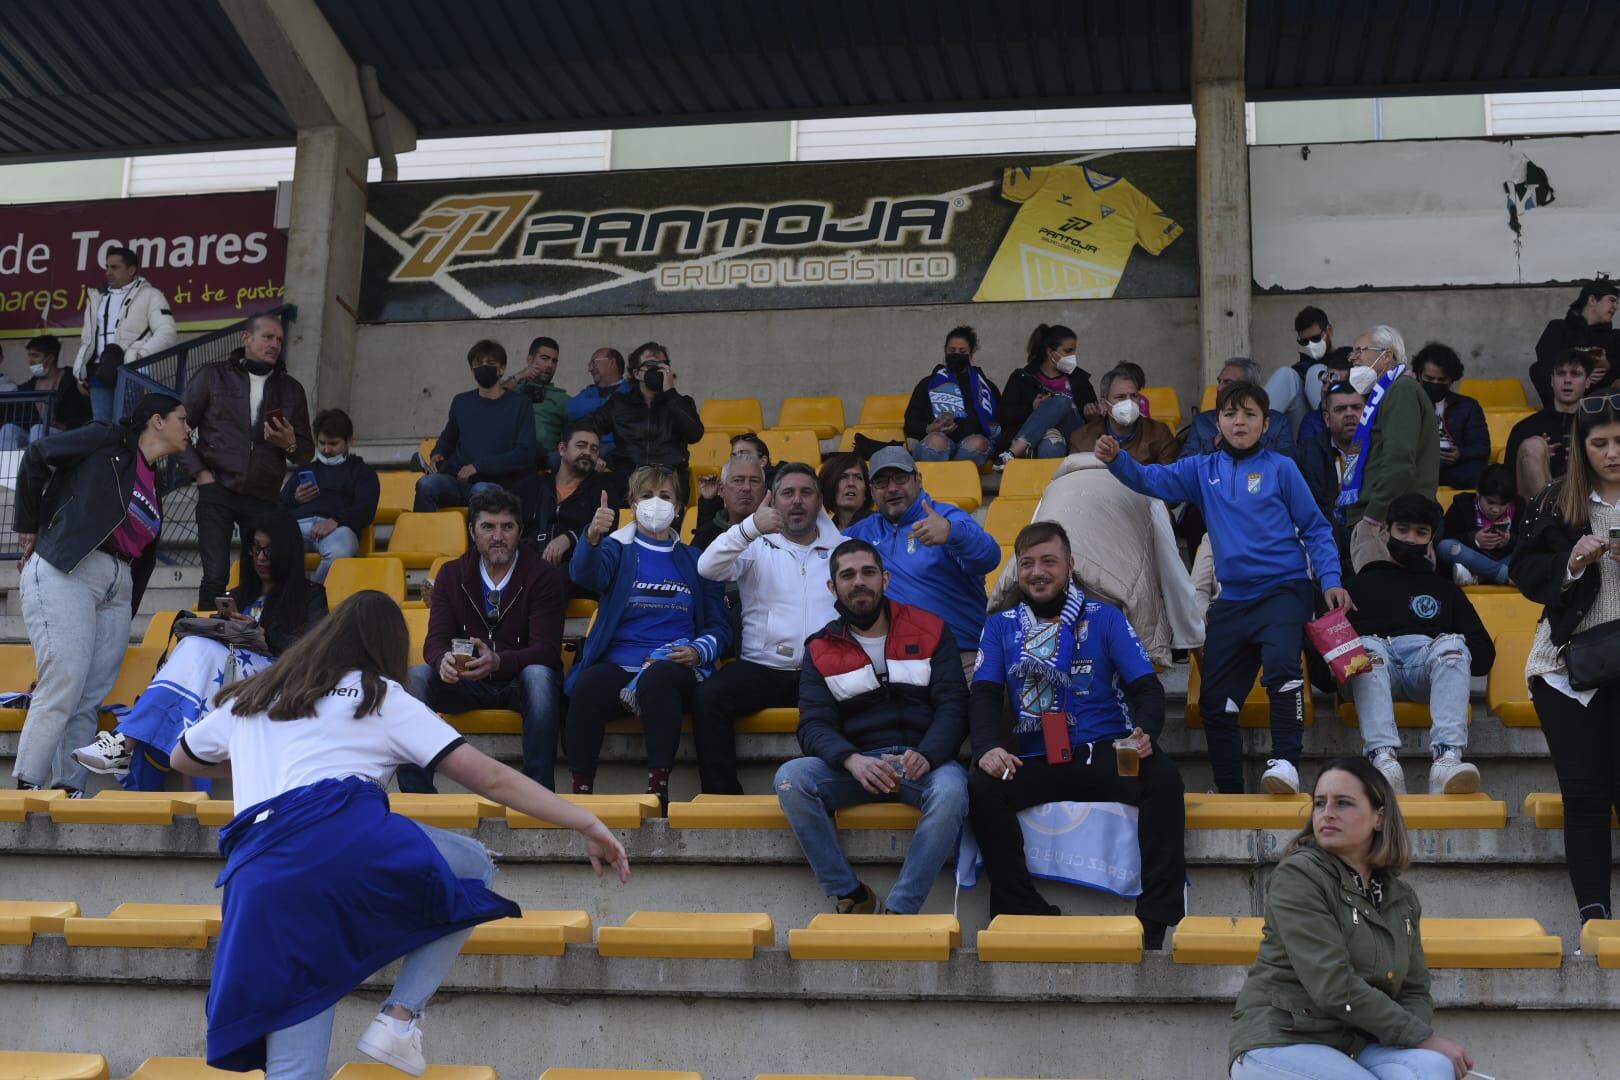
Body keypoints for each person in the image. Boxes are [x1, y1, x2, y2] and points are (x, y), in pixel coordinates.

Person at [166, 591, 629, 1079]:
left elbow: (182, 757)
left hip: (259, 880)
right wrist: (585, 821)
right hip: (337, 846)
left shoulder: (256, 694)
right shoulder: (381, 695)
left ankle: (397, 1021)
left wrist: (261, 761)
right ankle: (399, 1018)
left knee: (293, 1071)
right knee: (471, 866)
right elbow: (491, 779)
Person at [1099, 381, 1350, 794]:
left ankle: (1286, 763)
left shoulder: (1282, 468)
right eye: (1231, 414)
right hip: (1232, 599)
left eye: (1250, 415)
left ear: (1266, 424)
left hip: (1284, 590)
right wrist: (1116, 461)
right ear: (1218, 422)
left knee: (1284, 671)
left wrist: (1331, 580)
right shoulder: (1202, 468)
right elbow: (1149, 479)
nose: (1240, 422)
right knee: (1216, 701)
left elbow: (1316, 528)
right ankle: (1230, 787)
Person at [968, 522, 1185, 943]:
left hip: (1102, 752)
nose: (1037, 572)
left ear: (1070, 565)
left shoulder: (1104, 617)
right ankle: (1021, 907)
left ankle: (1155, 918)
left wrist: (1146, 732)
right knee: (982, 786)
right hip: (1035, 757)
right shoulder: (1000, 625)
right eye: (1027, 563)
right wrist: (987, 748)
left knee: (1162, 777)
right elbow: (984, 695)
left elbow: (1146, 687)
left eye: (1049, 561)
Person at [1229, 757, 1474, 1080]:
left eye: (1343, 803)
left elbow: (1414, 992)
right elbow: (1332, 986)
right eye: (1319, 803)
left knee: (1432, 1069)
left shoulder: (1401, 897)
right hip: (1282, 1038)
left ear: (1379, 816)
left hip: (1356, 1044)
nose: (1327, 813)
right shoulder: (1298, 876)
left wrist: (1413, 1040)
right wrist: (1423, 1037)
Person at [10, 395, 192, 794]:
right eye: (183, 419)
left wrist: (128, 607)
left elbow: (143, 556)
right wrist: (29, 525)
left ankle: (67, 790)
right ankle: (27, 787)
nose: (189, 428)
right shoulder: (106, 439)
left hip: (118, 586)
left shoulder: (154, 481)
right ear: (157, 421)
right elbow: (38, 454)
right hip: (71, 567)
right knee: (65, 680)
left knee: (89, 697)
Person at [777, 538, 969, 914]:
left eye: (867, 572)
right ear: (833, 587)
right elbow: (813, 725)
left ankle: (900, 911)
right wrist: (851, 760)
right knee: (790, 779)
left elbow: (953, 705)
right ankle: (852, 893)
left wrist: (928, 755)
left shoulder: (931, 629)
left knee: (952, 792)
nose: (858, 582)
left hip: (922, 764)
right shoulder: (819, 647)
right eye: (847, 575)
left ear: (885, 579)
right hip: (858, 767)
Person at [74, 514, 329, 788]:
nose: (261, 557)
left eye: (270, 550)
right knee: (198, 651)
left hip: (275, 683)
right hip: (224, 681)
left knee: (198, 650)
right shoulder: (238, 595)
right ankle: (154, 765)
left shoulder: (310, 595)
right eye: (255, 548)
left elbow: (314, 651)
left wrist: (262, 634)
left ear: (287, 552)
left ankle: (124, 741)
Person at [1514, 389, 1620, 926]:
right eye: (1599, 443)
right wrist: (1573, 563)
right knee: (1584, 793)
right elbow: (1523, 572)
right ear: (1580, 448)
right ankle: (1593, 919)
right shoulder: (1555, 501)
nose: (1612, 452)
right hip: (1566, 668)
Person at [566, 464, 731, 807]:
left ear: (680, 507)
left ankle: (658, 790)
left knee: (658, 679)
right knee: (589, 685)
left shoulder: (697, 561)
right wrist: (592, 538)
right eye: (646, 496)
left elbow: (720, 626)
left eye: (665, 496)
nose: (656, 503)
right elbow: (587, 575)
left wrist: (700, 650)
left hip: (675, 665)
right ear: (632, 503)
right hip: (619, 662)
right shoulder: (615, 549)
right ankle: (579, 793)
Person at [398, 487, 565, 794]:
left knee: (540, 676)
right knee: (416, 676)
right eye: (488, 526)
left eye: (507, 527)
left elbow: (547, 650)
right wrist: (442, 661)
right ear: (472, 531)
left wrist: (499, 661)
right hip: (466, 681)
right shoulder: (451, 574)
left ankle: (538, 792)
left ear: (520, 531)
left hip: (518, 681)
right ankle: (416, 794)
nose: (498, 536)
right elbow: (435, 640)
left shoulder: (544, 575)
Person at [695, 463, 844, 794]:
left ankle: (837, 792)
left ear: (819, 500)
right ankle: (722, 798)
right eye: (788, 493)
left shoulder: (843, 548)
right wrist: (749, 528)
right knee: (708, 698)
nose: (797, 501)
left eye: (806, 493)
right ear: (772, 500)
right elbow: (706, 568)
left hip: (823, 669)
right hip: (763, 667)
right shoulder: (755, 544)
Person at [1345, 494, 1494, 797]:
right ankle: (1383, 761)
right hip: (1373, 671)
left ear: (1431, 538)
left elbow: (1482, 656)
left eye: (1421, 532)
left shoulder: (1445, 590)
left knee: (1452, 646)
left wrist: (1444, 648)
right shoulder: (1357, 586)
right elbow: (1329, 660)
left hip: (1424, 673)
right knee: (1364, 647)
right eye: (1403, 530)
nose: (1411, 539)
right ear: (1386, 531)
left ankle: (1447, 761)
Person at [183, 313, 315, 610]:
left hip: (263, 495)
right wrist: (200, 473)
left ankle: (252, 639)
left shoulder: (291, 389)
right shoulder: (212, 375)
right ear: (246, 338)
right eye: (268, 337)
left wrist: (289, 443)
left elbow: (306, 451)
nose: (275, 345)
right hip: (216, 487)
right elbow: (177, 427)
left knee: (259, 575)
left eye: (279, 340)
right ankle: (206, 642)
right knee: (215, 576)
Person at [847, 446, 1000, 679]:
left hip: (961, 656)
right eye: (881, 482)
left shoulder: (947, 517)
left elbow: (989, 558)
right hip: (897, 662)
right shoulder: (861, 533)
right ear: (872, 490)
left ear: (919, 480)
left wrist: (952, 533)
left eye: (900, 477)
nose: (892, 488)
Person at [1340, 325, 1440, 573]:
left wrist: (1373, 517)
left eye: (1360, 351)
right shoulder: (1386, 393)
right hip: (1385, 518)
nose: (1353, 358)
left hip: (1385, 522)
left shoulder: (1401, 391)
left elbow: (1399, 462)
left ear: (1387, 356)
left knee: (1380, 602)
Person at [414, 339, 538, 512]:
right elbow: (448, 437)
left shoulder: (520, 404)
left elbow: (525, 453)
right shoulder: (461, 402)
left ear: (502, 368)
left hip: (497, 485)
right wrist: (438, 454)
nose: (484, 367)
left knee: (480, 491)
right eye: (478, 364)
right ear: (472, 370)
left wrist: (478, 467)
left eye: (490, 363)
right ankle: (425, 538)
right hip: (457, 482)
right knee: (426, 485)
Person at [71, 246, 178, 423]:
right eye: (107, 267)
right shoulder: (97, 298)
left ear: (131, 270)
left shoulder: (150, 295)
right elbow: (87, 340)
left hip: (130, 372)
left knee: (126, 425)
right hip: (99, 372)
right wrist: (79, 372)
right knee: (101, 429)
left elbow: (167, 332)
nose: (108, 272)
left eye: (114, 267)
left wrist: (139, 356)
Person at [590, 342, 704, 503]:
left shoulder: (680, 403)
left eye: (662, 365)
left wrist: (671, 394)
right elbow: (588, 426)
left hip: (668, 484)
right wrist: (592, 454)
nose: (657, 370)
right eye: (651, 364)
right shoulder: (620, 404)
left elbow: (695, 434)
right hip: (627, 484)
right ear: (636, 373)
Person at [278, 408, 379, 584]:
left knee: (339, 552)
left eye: (333, 444)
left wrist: (336, 521)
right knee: (274, 545)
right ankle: (291, 596)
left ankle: (312, 596)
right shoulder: (305, 469)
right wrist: (295, 499)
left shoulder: (363, 472)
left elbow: (365, 510)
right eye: (322, 443)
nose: (326, 449)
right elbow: (279, 506)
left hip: (338, 529)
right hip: (298, 526)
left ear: (349, 441)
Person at [517, 421, 610, 584]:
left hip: (576, 570)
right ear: (562, 449)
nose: (588, 452)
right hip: (531, 564)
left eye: (594, 449)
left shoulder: (603, 490)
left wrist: (570, 537)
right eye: (581, 445)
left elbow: (608, 533)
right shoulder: (533, 485)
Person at [993, 322, 1097, 465]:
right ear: (1050, 352)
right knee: (1050, 443)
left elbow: (1095, 420)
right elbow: (1004, 415)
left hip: (1073, 439)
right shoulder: (1022, 377)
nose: (1073, 356)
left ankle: (1014, 451)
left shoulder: (1079, 379)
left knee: (1062, 401)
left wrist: (1092, 415)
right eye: (1068, 351)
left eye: (1074, 351)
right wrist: (1031, 408)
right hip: (1041, 442)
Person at [904, 325, 1000, 467]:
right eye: (952, 350)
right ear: (945, 351)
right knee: (936, 442)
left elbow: (999, 421)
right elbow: (910, 423)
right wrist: (930, 428)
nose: (956, 354)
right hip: (937, 441)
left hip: (971, 444)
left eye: (962, 351)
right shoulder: (928, 384)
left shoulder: (986, 387)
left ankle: (957, 483)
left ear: (971, 353)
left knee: (977, 444)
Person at [1508, 348, 1593, 503]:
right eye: (1561, 374)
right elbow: (1507, 482)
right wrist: (1537, 458)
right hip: (1533, 509)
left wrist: (1584, 457)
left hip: (1586, 504)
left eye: (1575, 374)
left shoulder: (1598, 426)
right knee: (1532, 446)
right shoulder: (1526, 427)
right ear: (1552, 380)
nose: (1567, 380)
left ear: (1588, 381)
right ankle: (1549, 522)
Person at [1181, 358, 1296, 459]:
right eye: (1219, 382)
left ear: (1249, 387)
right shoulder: (1203, 421)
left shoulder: (1278, 422)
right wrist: (1213, 444)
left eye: (1227, 383)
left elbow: (1288, 466)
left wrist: (1252, 439)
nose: (1219, 388)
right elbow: (1182, 467)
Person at [1413, 343, 1490, 490]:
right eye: (1429, 378)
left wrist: (1460, 454)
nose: (1435, 383)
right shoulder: (1408, 403)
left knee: (1485, 474)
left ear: (1452, 379)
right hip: (1418, 466)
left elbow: (1481, 447)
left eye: (1442, 380)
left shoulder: (1468, 406)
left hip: (1453, 467)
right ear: (1419, 376)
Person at [1531, 280, 1620, 408]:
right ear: (1593, 300)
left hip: (1601, 398)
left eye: (1617, 303)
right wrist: (1582, 372)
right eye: (1612, 300)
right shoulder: (1558, 327)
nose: (1616, 307)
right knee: (1538, 369)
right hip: (1564, 391)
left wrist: (1606, 365)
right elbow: (1546, 356)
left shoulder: (1615, 336)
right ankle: (1562, 413)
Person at [1069, 366, 1179, 464]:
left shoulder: (1160, 434)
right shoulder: (1082, 438)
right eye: (1120, 397)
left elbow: (1168, 480)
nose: (1129, 402)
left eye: (1134, 396)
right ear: (1104, 404)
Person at [1294, 381, 1366, 531]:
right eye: (1340, 409)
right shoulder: (1307, 454)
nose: (1349, 413)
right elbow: (1314, 512)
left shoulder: (1382, 450)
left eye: (1356, 407)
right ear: (1327, 419)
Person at [1438, 464, 1523, 586]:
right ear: (1478, 493)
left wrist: (1510, 541)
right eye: (1490, 502)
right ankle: (1505, 574)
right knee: (1445, 546)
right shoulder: (1462, 504)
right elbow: (1448, 537)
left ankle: (1478, 576)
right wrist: (1474, 539)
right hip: (1473, 557)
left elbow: (1528, 542)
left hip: (1504, 559)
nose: (1495, 510)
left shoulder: (1519, 506)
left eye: (1503, 504)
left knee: (1533, 554)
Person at [0, 335, 91, 449]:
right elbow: (20, 420)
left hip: (67, 436)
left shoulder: (73, 381)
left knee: (37, 430)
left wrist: (65, 426)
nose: (30, 361)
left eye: (36, 356)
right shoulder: (26, 388)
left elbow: (85, 414)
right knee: (8, 429)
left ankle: (37, 466)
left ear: (51, 358)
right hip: (34, 435)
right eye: (29, 356)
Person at [1263, 306, 1334, 436]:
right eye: (1305, 341)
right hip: (1303, 432)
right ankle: (1254, 437)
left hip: (1335, 425)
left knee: (1316, 372)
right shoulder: (1299, 368)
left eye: (1316, 338)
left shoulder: (1346, 358)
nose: (1311, 345)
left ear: (1329, 330)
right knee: (1285, 374)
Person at [503, 335, 570, 454]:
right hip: (508, 453)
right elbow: (492, 399)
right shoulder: (512, 388)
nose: (550, 365)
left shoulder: (563, 399)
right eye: (545, 358)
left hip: (543, 459)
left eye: (554, 361)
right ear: (530, 360)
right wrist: (520, 375)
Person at [566, 345, 631, 461]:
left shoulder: (629, 390)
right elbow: (572, 409)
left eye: (593, 363)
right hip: (586, 445)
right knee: (554, 459)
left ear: (611, 363)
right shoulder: (590, 390)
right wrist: (609, 404)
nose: (590, 369)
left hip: (616, 448)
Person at [691, 450, 767, 549]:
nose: (747, 488)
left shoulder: (779, 535)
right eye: (738, 480)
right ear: (722, 490)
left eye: (754, 481)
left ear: (764, 490)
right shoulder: (705, 537)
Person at [1293, 350, 1354, 448]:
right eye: (1324, 382)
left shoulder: (1369, 416)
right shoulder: (1312, 422)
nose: (1325, 389)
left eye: (1335, 384)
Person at [818, 452, 872, 530]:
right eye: (843, 477)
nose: (851, 483)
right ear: (829, 485)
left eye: (858, 478)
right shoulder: (823, 532)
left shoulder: (881, 527)